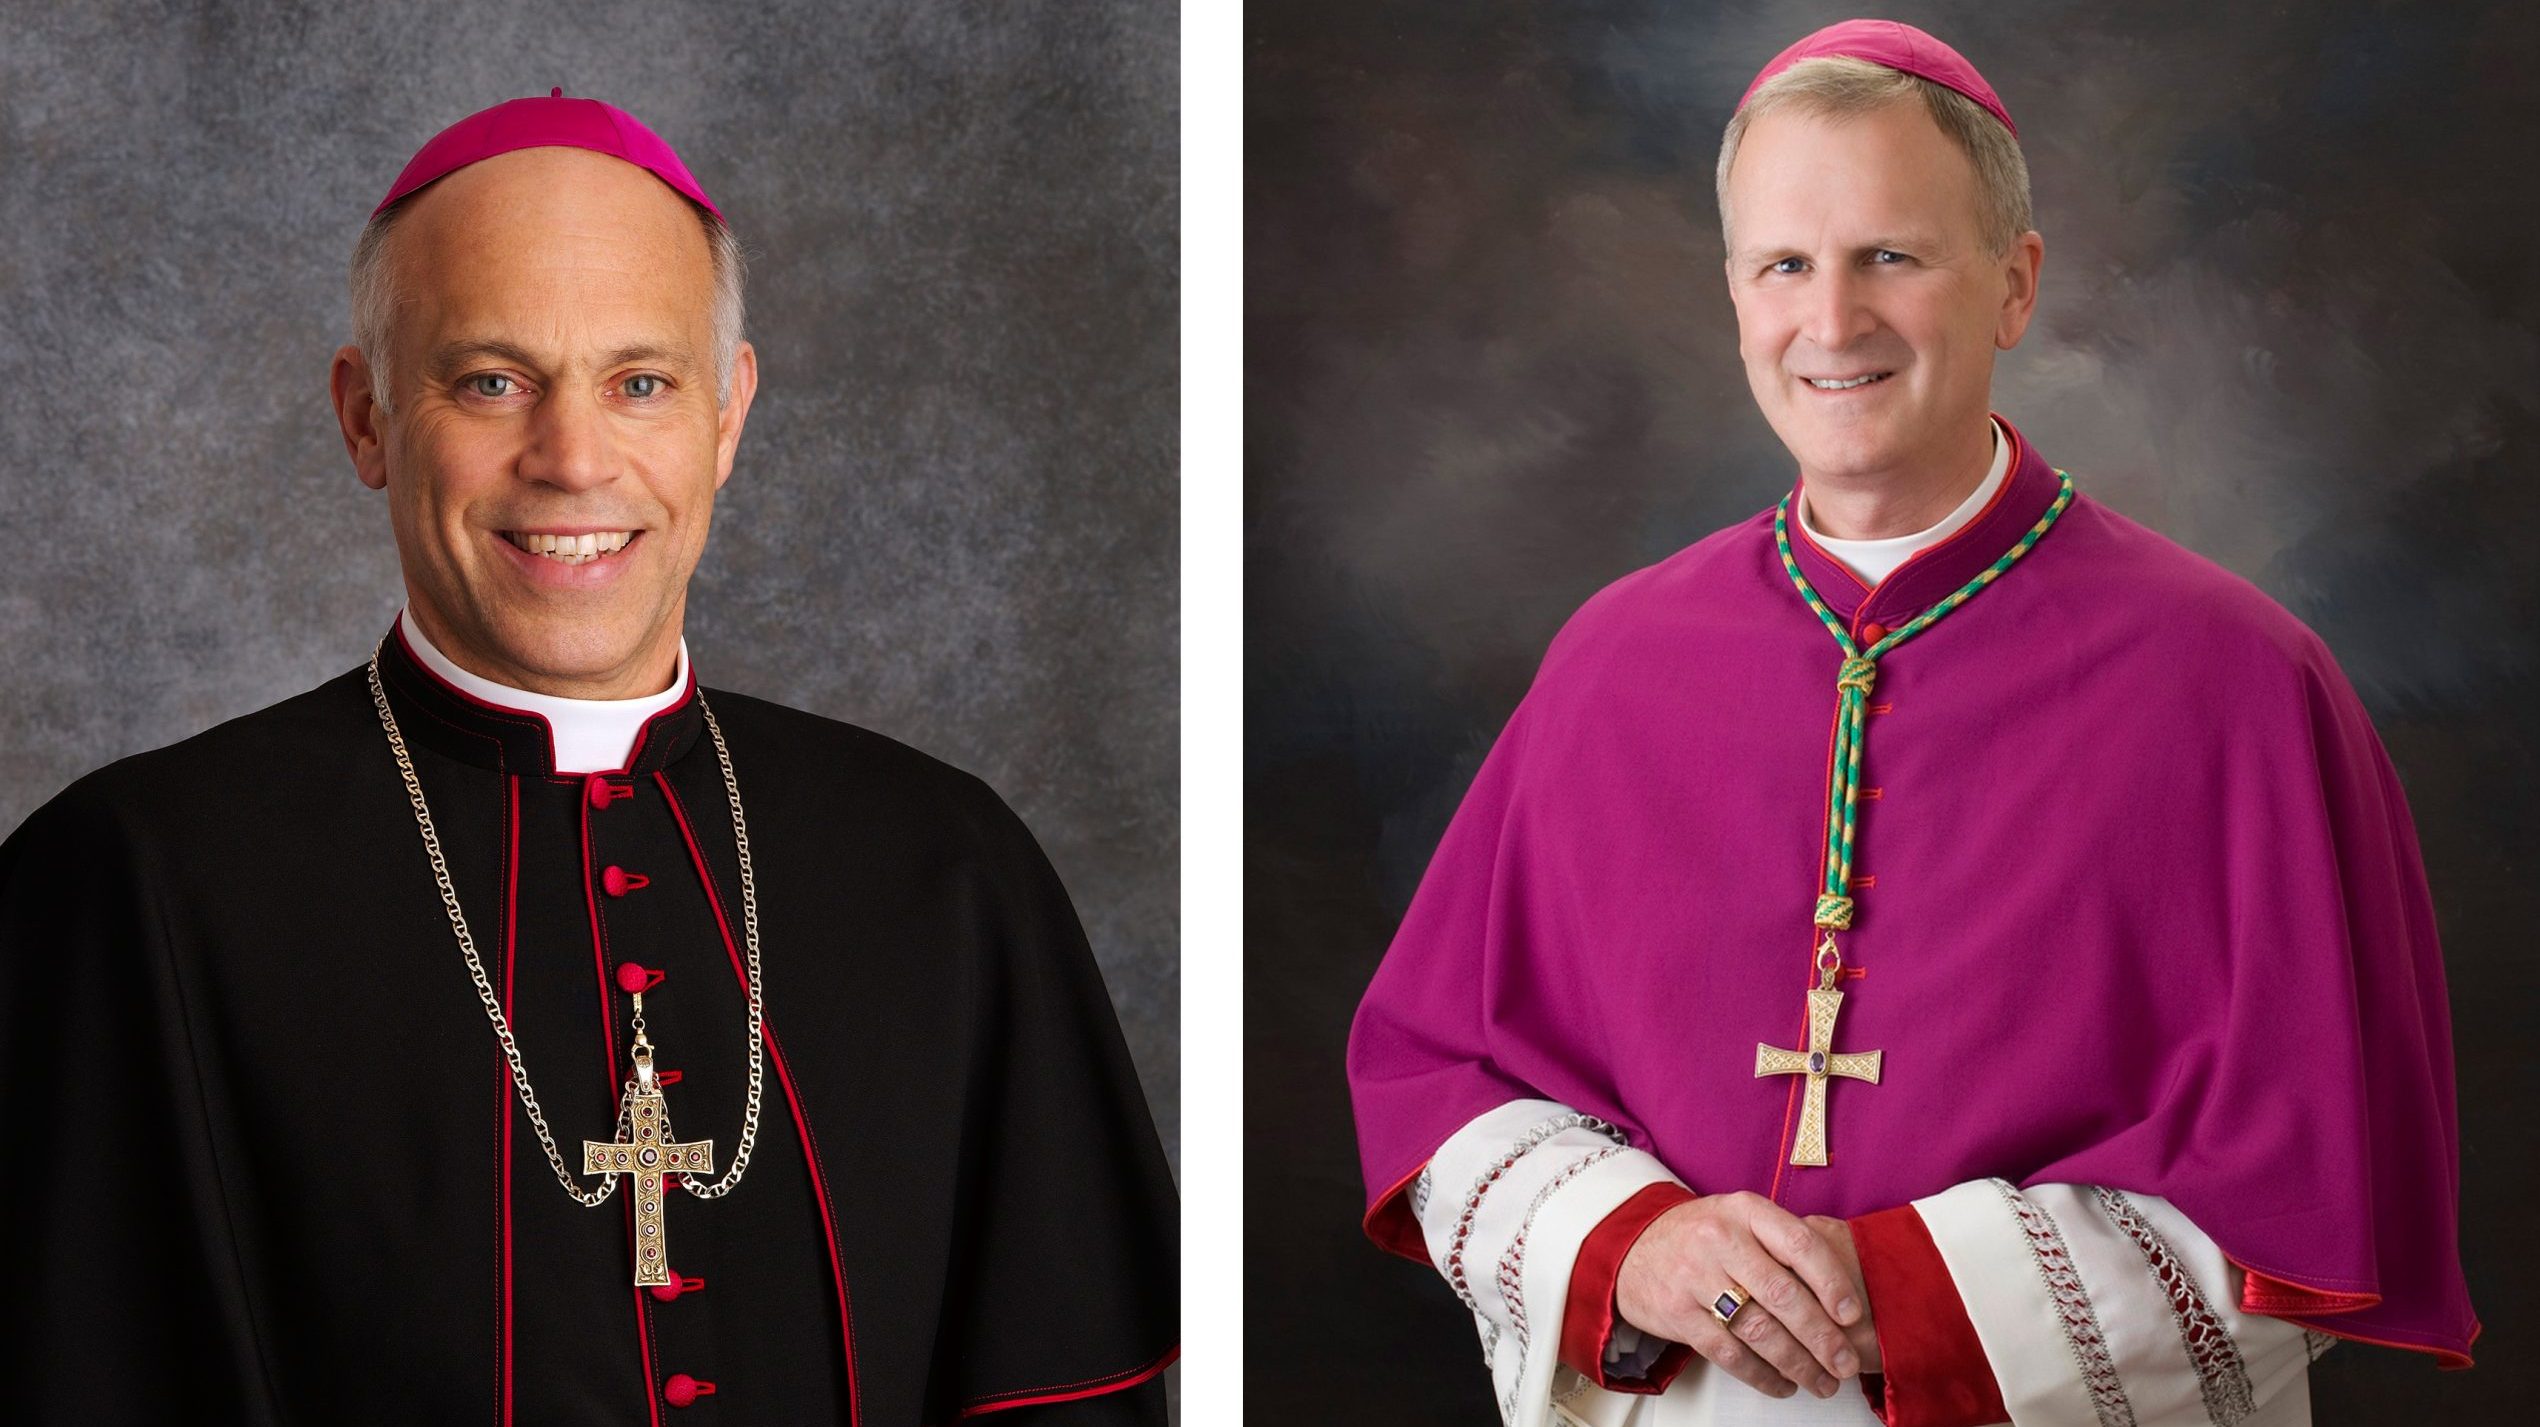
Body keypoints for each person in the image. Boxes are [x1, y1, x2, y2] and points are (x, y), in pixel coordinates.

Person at [1345, 20, 2476, 1427]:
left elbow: (2317, 1196)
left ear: (2016, 285)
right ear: (1734, 297)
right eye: (1785, 265)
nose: (1833, 323)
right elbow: (1441, 1074)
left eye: (1891, 255)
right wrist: (1634, 1243)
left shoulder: (2243, 684)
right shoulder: (1612, 662)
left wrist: (1919, 1290)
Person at [0, 92, 1176, 1424]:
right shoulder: (133, 885)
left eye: (640, 383)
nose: (572, 461)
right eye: (491, 380)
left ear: (726, 417)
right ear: (367, 417)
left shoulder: (946, 867)